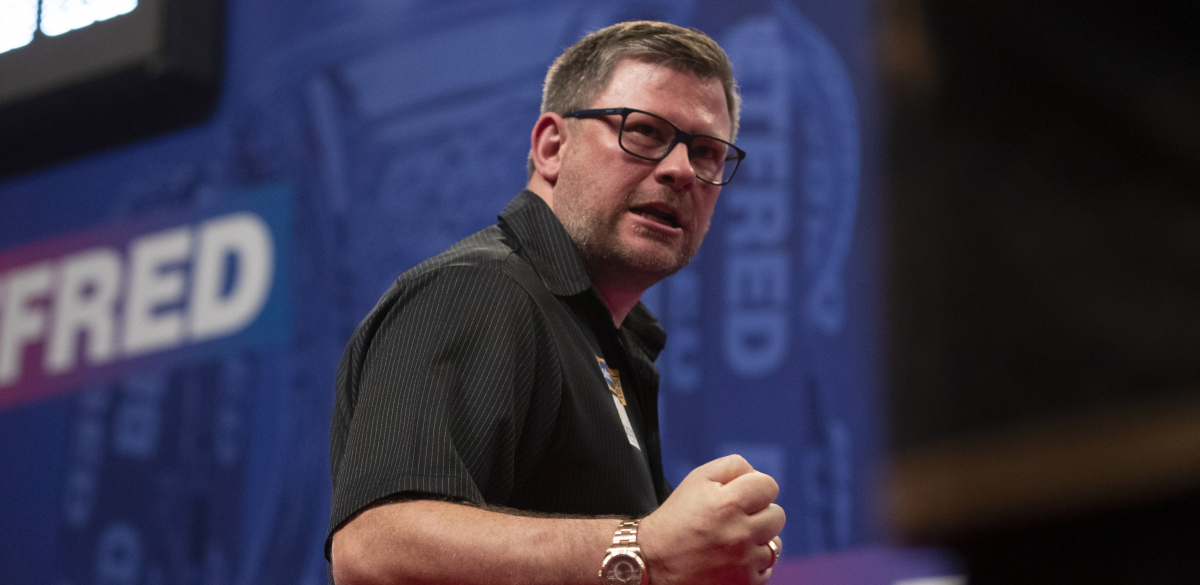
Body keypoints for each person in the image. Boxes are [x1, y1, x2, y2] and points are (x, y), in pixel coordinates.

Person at [327, 20, 785, 585]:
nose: (680, 171)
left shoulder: (610, 342)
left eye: (708, 153)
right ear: (551, 146)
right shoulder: (482, 288)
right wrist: (644, 549)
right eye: (643, 132)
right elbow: (374, 547)